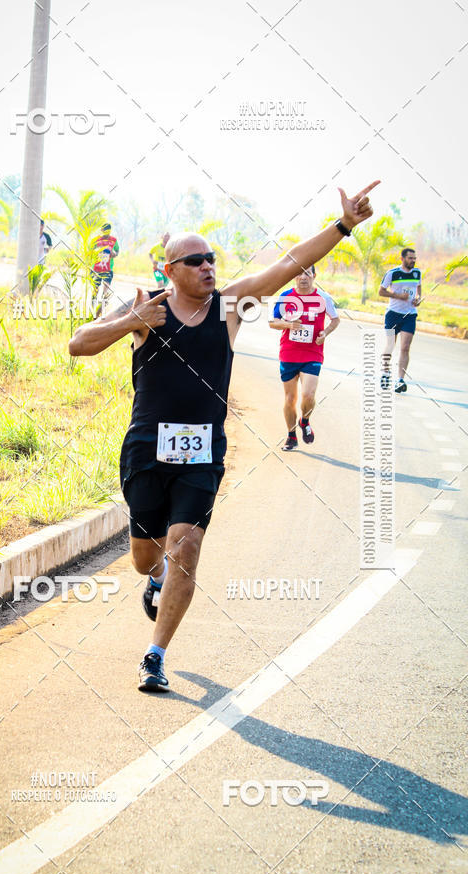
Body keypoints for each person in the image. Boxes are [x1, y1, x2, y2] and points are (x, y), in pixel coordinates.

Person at [69, 182, 378, 692]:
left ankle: (154, 656)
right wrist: (131, 321)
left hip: (203, 453)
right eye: (194, 261)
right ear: (169, 271)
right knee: (147, 556)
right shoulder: (147, 307)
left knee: (186, 550)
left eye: (211, 258)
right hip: (147, 449)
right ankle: (154, 576)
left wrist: (343, 226)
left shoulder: (229, 306)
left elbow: (285, 264)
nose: (208, 267)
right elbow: (78, 343)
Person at [270, 265, 340, 451]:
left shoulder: (323, 298)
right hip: (289, 353)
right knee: (290, 399)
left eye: (307, 273)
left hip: (312, 353)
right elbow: (273, 322)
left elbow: (335, 319)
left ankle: (305, 420)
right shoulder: (286, 296)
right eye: (299, 273)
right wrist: (288, 324)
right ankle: (291, 436)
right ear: (294, 276)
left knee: (308, 395)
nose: (303, 277)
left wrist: (325, 332)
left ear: (314, 276)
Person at [379, 248, 422, 393]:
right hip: (393, 314)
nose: (413, 260)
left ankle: (400, 380)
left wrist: (418, 299)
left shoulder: (417, 273)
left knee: (405, 347)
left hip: (410, 315)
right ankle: (385, 374)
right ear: (402, 259)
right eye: (410, 258)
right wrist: (398, 296)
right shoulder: (392, 273)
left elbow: (418, 288)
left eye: (414, 258)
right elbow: (381, 291)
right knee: (390, 345)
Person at [92, 223, 120, 303]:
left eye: (108, 231)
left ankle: (101, 309)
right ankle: (93, 308)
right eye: (104, 231)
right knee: (95, 290)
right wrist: (97, 252)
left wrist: (113, 254)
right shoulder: (96, 240)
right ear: (101, 230)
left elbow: (117, 251)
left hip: (108, 268)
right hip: (96, 269)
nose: (106, 233)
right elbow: (89, 252)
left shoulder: (114, 240)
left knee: (105, 291)